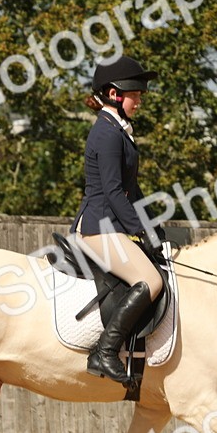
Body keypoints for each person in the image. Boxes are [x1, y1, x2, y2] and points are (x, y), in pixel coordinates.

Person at [70, 56, 164, 386]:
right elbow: (111, 191)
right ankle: (104, 352)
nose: (140, 100)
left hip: (110, 224)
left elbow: (131, 189)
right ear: (113, 95)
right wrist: (139, 230)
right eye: (135, 94)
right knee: (151, 282)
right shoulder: (107, 133)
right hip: (98, 226)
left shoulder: (119, 130)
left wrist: (152, 225)